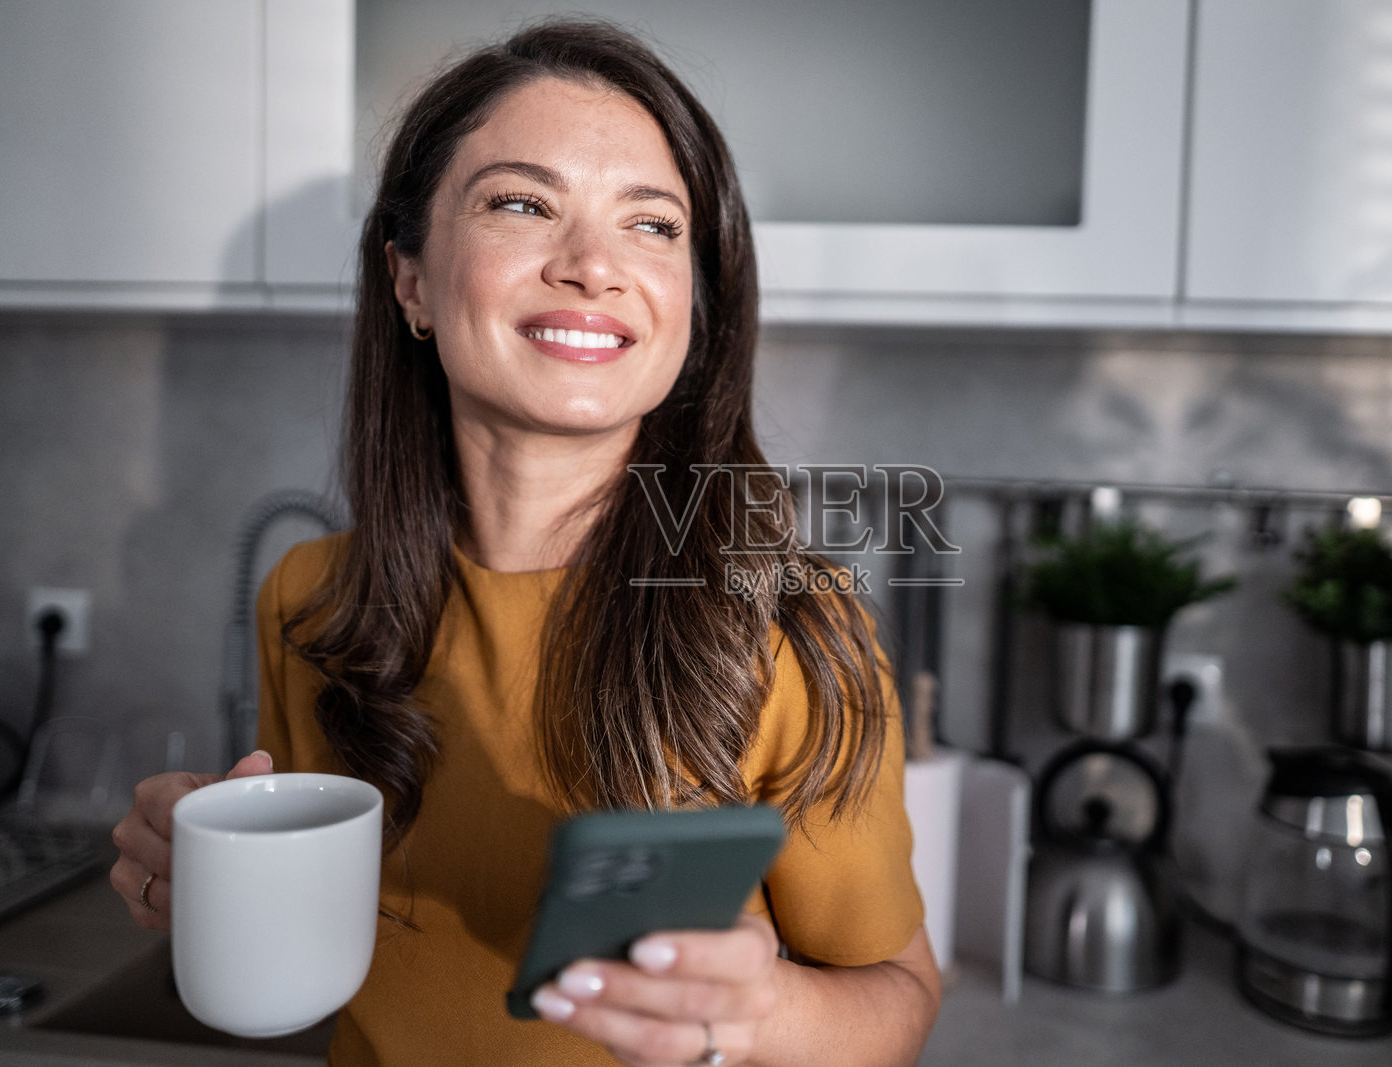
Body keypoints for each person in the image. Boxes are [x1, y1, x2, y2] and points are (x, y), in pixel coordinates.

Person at [107, 18, 939, 1067]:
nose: (594, 265)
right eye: (521, 203)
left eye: (652, 225)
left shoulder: (788, 623)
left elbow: (900, 1000)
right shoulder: (310, 600)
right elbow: (344, 962)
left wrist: (749, 1007)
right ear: (410, 279)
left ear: (691, 307)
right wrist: (199, 883)